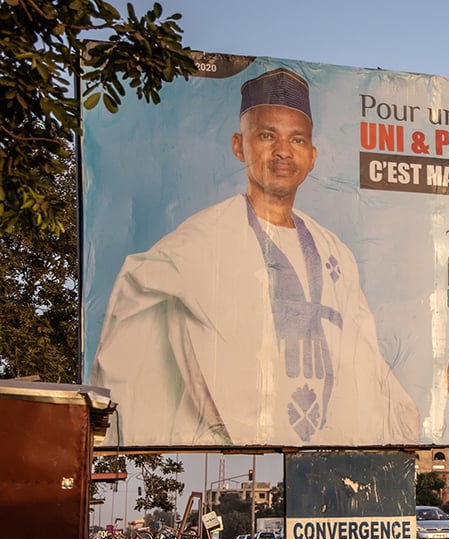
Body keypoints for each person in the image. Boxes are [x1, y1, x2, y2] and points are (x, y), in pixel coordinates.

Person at [91, 68, 419, 447]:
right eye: (267, 135)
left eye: (296, 139)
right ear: (239, 145)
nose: (282, 151)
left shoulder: (335, 252)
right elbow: (136, 305)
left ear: (312, 157)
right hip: (231, 445)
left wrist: (396, 429)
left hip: (326, 447)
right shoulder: (204, 239)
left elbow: (364, 357)